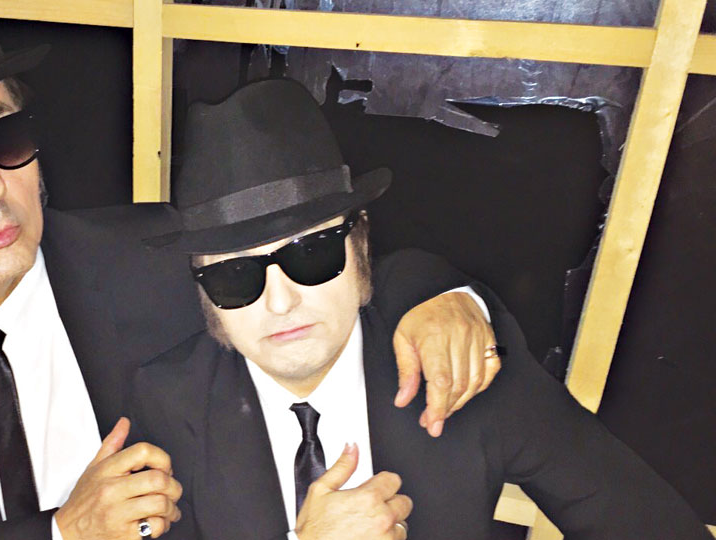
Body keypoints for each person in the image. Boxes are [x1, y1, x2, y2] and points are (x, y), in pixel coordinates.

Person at [0, 1, 501, 539]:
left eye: (4, 134)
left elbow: (326, 261)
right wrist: (64, 533)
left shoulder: (152, 255)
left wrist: (444, 298)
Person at [132, 78, 713, 540]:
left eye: (312, 252)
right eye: (234, 273)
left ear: (361, 248)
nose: (281, 301)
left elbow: (642, 519)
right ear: (203, 293)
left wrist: (455, 296)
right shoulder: (167, 403)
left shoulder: (457, 368)